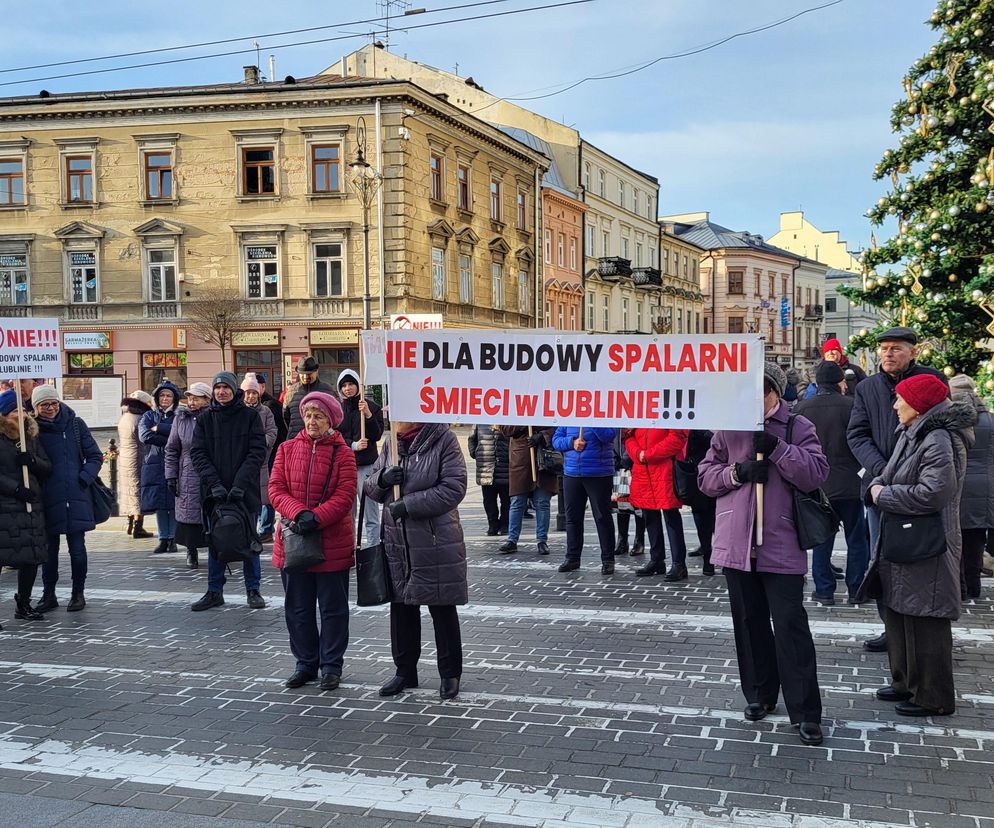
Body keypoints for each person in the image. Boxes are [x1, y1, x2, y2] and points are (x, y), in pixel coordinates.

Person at [699, 362, 829, 746]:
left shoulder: (797, 426)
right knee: (749, 621)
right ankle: (759, 694)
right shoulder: (727, 427)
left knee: (790, 626)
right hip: (736, 543)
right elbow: (707, 478)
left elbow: (816, 473)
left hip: (782, 542)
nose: (755, 400)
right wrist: (736, 474)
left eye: (763, 392)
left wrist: (778, 450)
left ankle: (805, 711)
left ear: (775, 392)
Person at [869, 373, 973, 717]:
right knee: (901, 609)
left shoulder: (938, 438)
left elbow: (934, 493)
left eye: (901, 399)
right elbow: (889, 470)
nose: (895, 404)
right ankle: (905, 682)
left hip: (928, 541)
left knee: (926, 616)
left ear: (918, 405)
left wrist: (885, 494)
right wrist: (878, 484)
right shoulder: (913, 432)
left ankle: (933, 696)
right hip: (906, 537)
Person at [847, 326, 948, 652]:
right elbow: (857, 435)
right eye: (884, 348)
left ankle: (920, 631)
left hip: (921, 489)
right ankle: (891, 630)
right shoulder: (868, 388)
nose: (888, 354)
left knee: (920, 561)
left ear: (913, 352)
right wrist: (882, 471)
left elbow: (944, 430)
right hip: (881, 490)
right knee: (883, 559)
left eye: (896, 348)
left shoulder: (932, 381)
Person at [365, 421, 468, 701]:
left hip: (434, 540)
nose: (394, 420)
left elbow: (454, 487)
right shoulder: (391, 443)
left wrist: (409, 504)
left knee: (441, 606)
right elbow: (371, 486)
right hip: (397, 541)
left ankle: (450, 674)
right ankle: (404, 670)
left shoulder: (443, 439)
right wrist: (383, 478)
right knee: (402, 607)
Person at [269, 392, 357, 691]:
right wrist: (299, 513)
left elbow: (345, 496)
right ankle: (305, 663)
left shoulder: (343, 453)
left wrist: (316, 518)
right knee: (298, 608)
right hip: (294, 540)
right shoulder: (286, 448)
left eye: (318, 416)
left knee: (332, 608)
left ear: (330, 420)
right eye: (307, 415)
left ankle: (331, 665)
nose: (311, 421)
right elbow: (276, 489)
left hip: (331, 541)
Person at [190, 372, 268, 611]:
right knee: (216, 540)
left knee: (249, 539)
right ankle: (214, 590)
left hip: (243, 491)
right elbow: (198, 453)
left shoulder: (250, 416)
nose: (221, 391)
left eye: (226, 387)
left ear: (235, 390)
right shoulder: (205, 419)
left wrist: (239, 485)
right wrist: (214, 484)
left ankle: (253, 589)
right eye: (218, 387)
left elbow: (257, 452)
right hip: (215, 492)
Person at [795, 360, 869, 605]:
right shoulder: (853, 406)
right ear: (841, 383)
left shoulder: (803, 408)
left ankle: (824, 590)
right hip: (850, 484)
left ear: (817, 383)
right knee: (857, 539)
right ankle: (856, 589)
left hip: (818, 486)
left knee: (821, 538)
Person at [31, 385, 103, 613]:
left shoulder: (75, 424)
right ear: (36, 407)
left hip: (75, 495)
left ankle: (77, 594)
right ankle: (48, 594)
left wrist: (84, 478)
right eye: (44, 405)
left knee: (78, 550)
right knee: (48, 552)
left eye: (53, 403)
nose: (50, 408)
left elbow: (94, 455)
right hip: (46, 497)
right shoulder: (31, 430)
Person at [0, 389, 52, 621]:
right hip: (6, 507)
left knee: (30, 558)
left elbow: (46, 467)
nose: (19, 414)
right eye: (14, 410)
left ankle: (24, 604)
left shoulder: (29, 436)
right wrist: (15, 489)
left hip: (31, 507)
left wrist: (31, 461)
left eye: (22, 409)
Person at [949, 374, 993, 600]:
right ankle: (974, 585)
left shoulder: (954, 419)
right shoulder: (990, 419)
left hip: (959, 484)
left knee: (956, 538)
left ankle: (960, 586)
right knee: (977, 539)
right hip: (985, 486)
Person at [626, 427, 690, 580]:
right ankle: (657, 559)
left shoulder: (671, 406)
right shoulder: (639, 409)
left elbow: (678, 438)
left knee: (671, 515)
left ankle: (679, 563)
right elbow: (627, 436)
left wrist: (648, 455)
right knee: (649, 515)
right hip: (643, 469)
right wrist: (637, 453)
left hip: (665, 469)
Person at [552, 425, 617, 574]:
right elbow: (556, 440)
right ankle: (572, 557)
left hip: (598, 473)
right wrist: (572, 442)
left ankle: (608, 559)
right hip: (572, 473)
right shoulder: (570, 415)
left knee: (602, 517)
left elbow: (609, 435)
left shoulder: (605, 415)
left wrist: (592, 421)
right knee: (572, 518)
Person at [164, 383, 212, 569]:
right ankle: (191, 551)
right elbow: (171, 449)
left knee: (211, 511)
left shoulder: (213, 417)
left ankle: (218, 549)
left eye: (197, 398)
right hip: (187, 472)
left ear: (207, 400)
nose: (192, 402)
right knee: (189, 514)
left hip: (210, 471)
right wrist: (171, 476)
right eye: (190, 398)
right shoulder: (180, 419)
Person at [336, 369, 385, 548]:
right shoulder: (338, 410)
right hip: (345, 467)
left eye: (351, 384)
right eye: (344, 385)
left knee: (370, 513)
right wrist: (353, 445)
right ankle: (349, 550)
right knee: (348, 514)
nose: (348, 388)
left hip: (367, 466)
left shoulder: (370, 406)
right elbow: (335, 435)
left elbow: (377, 434)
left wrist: (368, 415)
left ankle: (372, 550)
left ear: (358, 385)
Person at [497, 426, 556, 555]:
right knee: (517, 501)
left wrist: (542, 435)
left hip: (543, 459)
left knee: (542, 502)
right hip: (521, 460)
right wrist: (524, 423)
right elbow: (505, 430)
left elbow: (557, 426)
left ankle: (542, 540)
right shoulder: (513, 410)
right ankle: (512, 539)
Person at [138, 381, 180, 554]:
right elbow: (145, 436)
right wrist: (168, 435)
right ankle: (163, 538)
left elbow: (181, 434)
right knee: (160, 504)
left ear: (174, 398)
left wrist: (159, 429)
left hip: (175, 462)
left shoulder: (179, 415)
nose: (165, 398)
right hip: (154, 463)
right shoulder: (148, 416)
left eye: (168, 395)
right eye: (162, 395)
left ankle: (173, 539)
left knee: (174, 502)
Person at [242, 375, 278, 544]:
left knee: (265, 497)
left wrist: (261, 442)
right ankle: (248, 528)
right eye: (248, 392)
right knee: (246, 497)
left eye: (253, 392)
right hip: (242, 461)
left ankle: (265, 528)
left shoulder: (265, 411)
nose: (251, 396)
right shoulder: (239, 411)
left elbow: (272, 432)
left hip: (262, 460)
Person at [116, 390, 153, 539]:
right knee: (138, 490)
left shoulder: (125, 417)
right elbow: (145, 440)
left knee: (128, 490)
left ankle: (129, 523)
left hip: (125, 458)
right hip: (138, 457)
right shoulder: (141, 418)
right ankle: (138, 526)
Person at [254, 372, 286, 539]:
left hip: (271, 453)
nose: (252, 392)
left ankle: (266, 527)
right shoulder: (245, 407)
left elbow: (278, 431)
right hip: (254, 456)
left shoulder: (271, 405)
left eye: (255, 387)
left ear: (262, 387)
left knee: (267, 491)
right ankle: (260, 525)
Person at [468, 424, 509, 537]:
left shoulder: (508, 420)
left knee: (506, 500)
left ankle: (505, 524)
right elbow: (472, 439)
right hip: (485, 466)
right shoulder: (479, 422)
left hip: (505, 466)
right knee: (489, 500)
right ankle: (493, 525)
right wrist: (474, 453)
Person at [684, 429, 716, 576]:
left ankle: (713, 552)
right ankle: (707, 552)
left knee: (715, 514)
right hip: (697, 469)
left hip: (717, 467)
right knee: (700, 512)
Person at [283, 356, 334, 439]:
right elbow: (286, 417)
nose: (305, 377)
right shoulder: (291, 392)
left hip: (321, 441)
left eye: (309, 374)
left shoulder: (327, 390)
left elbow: (334, 417)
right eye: (302, 374)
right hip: (296, 440)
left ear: (316, 371)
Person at [613, 431, 645, 558]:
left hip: (635, 464)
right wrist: (615, 459)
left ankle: (639, 540)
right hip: (618, 466)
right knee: (621, 504)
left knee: (639, 506)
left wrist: (627, 459)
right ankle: (622, 539)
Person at [803, 338, 867, 399]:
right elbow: (802, 389)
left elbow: (866, 387)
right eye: (827, 350)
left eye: (833, 349)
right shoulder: (813, 371)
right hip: (821, 406)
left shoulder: (855, 370)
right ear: (824, 354)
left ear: (840, 352)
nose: (830, 352)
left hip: (849, 406)